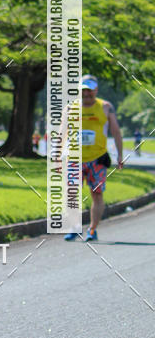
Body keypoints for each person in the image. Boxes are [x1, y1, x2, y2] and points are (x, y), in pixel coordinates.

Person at [64, 74, 123, 243]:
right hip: (74, 159)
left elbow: (116, 131)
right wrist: (57, 156)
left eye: (90, 90)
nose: (87, 93)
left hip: (97, 159)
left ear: (96, 90)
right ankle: (74, 227)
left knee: (96, 194)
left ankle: (92, 229)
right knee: (72, 193)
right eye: (84, 90)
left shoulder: (105, 107)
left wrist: (119, 155)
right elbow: (61, 132)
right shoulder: (71, 108)